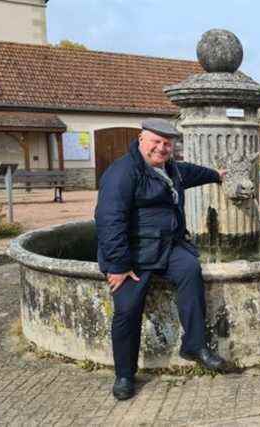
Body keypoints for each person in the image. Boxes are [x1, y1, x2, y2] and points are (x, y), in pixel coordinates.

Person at [95, 118, 228, 401]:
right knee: (127, 310)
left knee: (191, 270)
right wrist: (118, 265)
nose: (162, 148)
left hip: (168, 247)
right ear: (141, 139)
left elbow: (190, 173)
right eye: (156, 141)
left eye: (167, 144)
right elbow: (109, 221)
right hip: (133, 255)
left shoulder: (171, 169)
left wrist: (216, 174)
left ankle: (194, 345)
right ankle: (124, 374)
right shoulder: (122, 173)